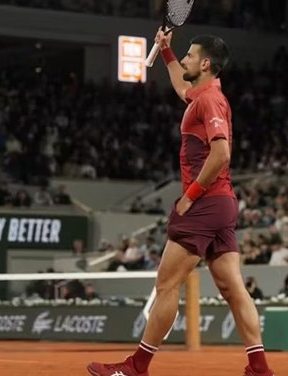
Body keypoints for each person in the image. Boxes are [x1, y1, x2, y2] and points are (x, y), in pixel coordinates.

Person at [87, 30, 274, 376]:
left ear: (205, 63)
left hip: (204, 203)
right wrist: (168, 51)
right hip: (222, 204)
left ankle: (136, 367)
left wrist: (189, 197)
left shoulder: (210, 101)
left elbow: (221, 153)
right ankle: (260, 368)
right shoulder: (201, 95)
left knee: (166, 285)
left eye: (190, 55)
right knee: (233, 289)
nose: (185, 59)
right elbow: (180, 87)